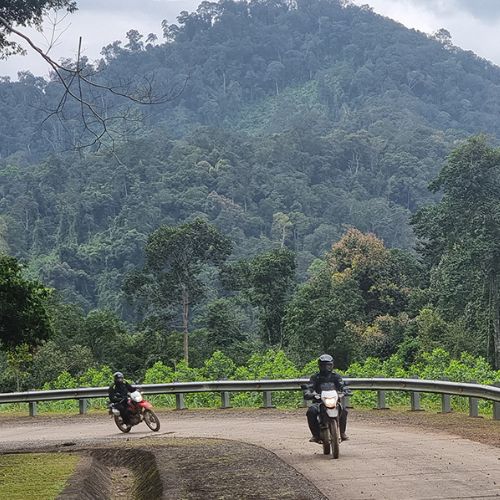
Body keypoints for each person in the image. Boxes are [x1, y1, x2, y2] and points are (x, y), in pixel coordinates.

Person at [303, 354, 350, 443]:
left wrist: (345, 391)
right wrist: (309, 393)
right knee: (311, 412)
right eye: (323, 365)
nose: (326, 367)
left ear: (332, 365)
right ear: (319, 366)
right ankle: (315, 435)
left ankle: (342, 433)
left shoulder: (336, 376)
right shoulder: (315, 377)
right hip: (319, 401)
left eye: (328, 365)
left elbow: (342, 385)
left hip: (334, 401)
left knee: (344, 410)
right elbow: (310, 387)